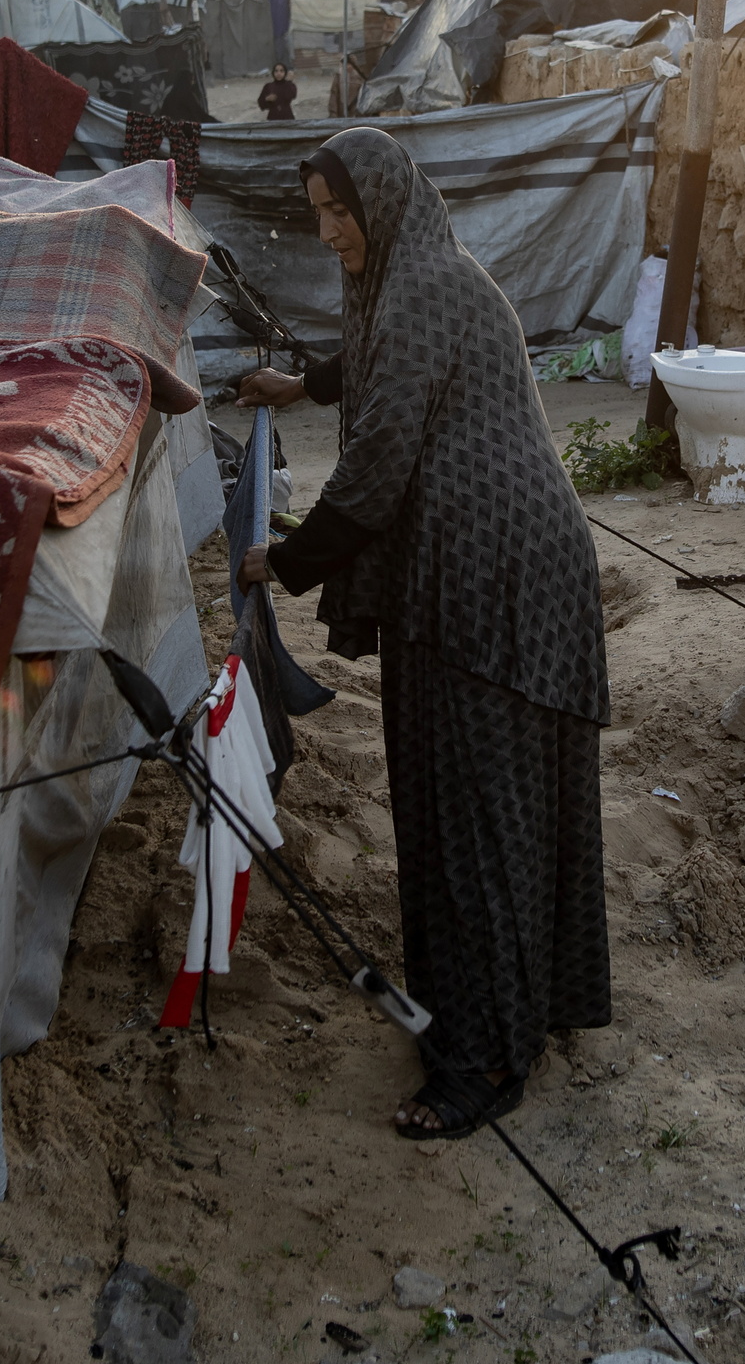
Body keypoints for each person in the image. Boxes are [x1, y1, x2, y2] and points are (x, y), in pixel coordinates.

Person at [235, 129, 611, 1140]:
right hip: (481, 561)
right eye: (317, 210)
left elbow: (377, 469)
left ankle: (483, 1061)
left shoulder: (418, 290)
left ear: (384, 202)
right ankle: (514, 1007)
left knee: (477, 812)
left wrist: (288, 558)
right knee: (484, 802)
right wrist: (304, 386)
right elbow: (376, 369)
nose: (328, 232)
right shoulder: (417, 275)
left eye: (338, 210)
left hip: (491, 578)